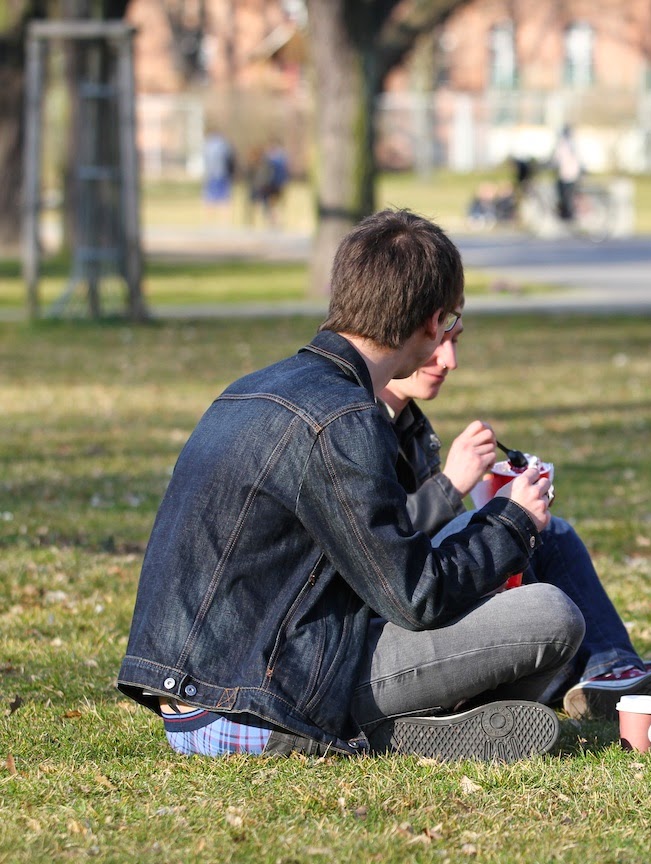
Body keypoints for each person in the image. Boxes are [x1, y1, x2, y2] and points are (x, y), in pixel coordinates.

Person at [117, 209, 585, 761]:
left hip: (198, 692)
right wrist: (512, 519)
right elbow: (416, 597)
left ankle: (426, 728)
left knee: (477, 545)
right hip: (260, 700)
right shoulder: (343, 418)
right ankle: (380, 737)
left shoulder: (252, 388)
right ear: (433, 321)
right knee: (551, 616)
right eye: (451, 321)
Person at [379, 319, 651, 722]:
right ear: (398, 332)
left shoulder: (413, 425)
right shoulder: (357, 422)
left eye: (456, 342)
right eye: (438, 342)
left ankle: (609, 669)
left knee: (546, 534)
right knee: (535, 550)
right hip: (388, 628)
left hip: (426, 595)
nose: (450, 360)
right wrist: (453, 486)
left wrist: (500, 502)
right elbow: (380, 548)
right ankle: (579, 674)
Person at [552, 126, 582, 223]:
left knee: (564, 194)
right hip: (573, 173)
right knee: (567, 194)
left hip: (567, 174)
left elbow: (556, 159)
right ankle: (567, 213)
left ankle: (568, 214)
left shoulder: (563, 145)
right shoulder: (572, 143)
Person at [201, 130, 236, 210]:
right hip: (222, 173)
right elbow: (230, 158)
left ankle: (207, 220)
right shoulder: (224, 144)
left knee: (209, 197)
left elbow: (205, 159)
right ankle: (224, 220)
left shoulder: (207, 144)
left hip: (210, 174)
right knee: (224, 198)